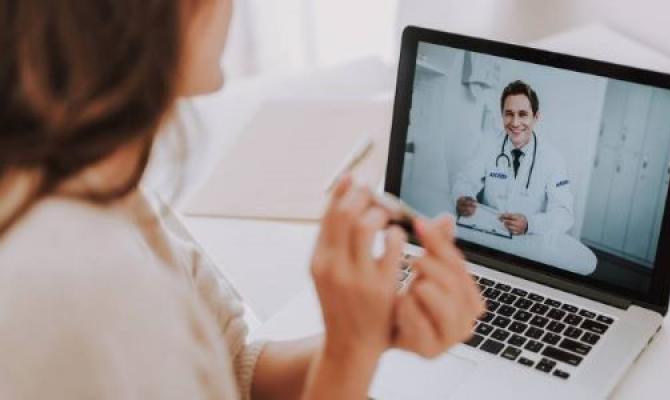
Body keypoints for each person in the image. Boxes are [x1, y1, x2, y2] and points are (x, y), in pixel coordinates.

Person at [0, 1, 483, 399]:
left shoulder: (99, 185)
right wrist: (349, 356)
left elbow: (232, 366)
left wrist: (371, 332)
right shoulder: (87, 292)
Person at [453, 80, 575, 236]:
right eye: (509, 114)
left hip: (529, 242)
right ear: (502, 115)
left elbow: (564, 213)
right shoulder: (489, 145)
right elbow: (465, 180)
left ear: (536, 117)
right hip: (489, 233)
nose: (515, 123)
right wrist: (463, 197)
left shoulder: (553, 159)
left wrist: (530, 224)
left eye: (523, 114)